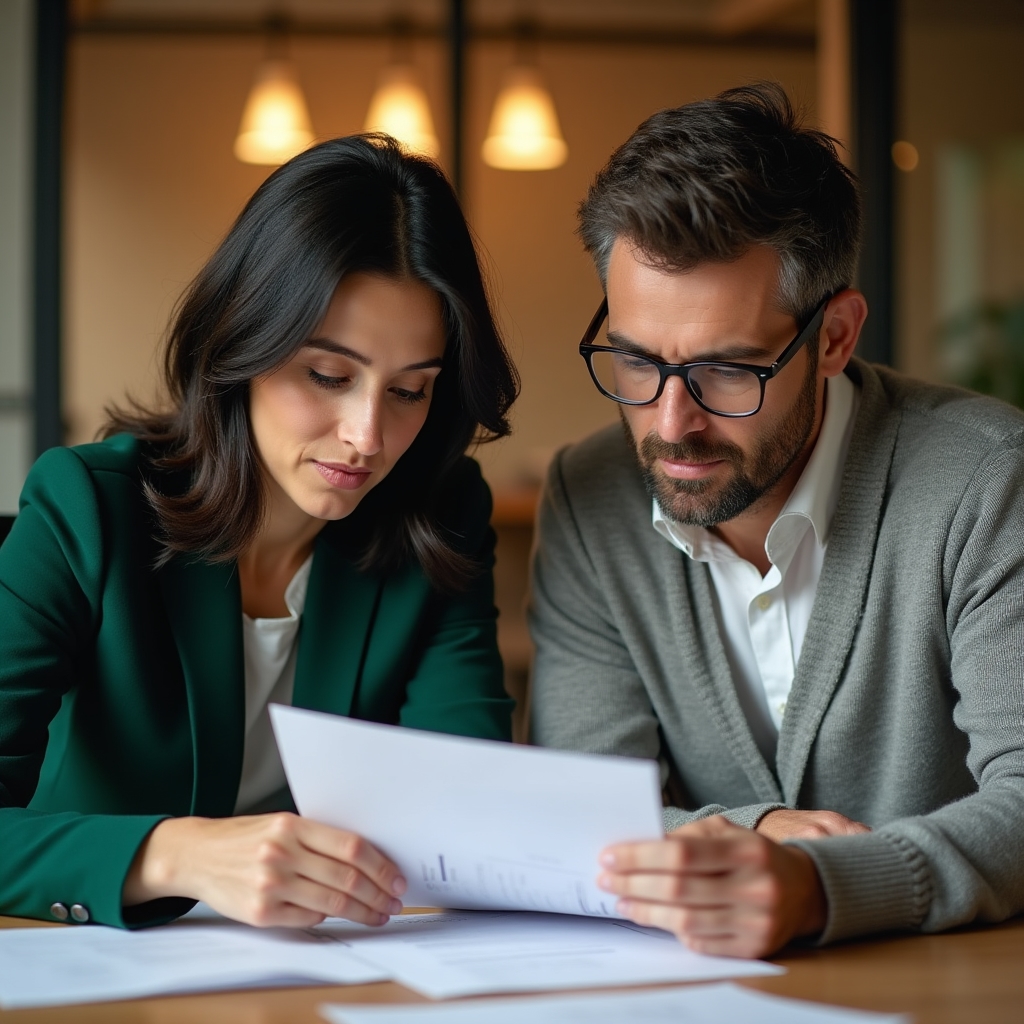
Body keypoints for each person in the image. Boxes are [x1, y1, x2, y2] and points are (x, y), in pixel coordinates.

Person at [529, 84, 1024, 958]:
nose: (671, 424)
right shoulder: (588, 495)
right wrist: (758, 831)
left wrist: (820, 887)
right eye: (636, 362)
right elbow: (581, 803)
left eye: (727, 370)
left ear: (834, 337)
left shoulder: (987, 481)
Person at [0, 135, 518, 930]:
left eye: (410, 391)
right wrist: (176, 854)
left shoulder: (439, 520)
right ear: (242, 343)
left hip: (332, 966)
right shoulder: (86, 509)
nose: (367, 436)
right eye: (328, 376)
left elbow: (466, 806)